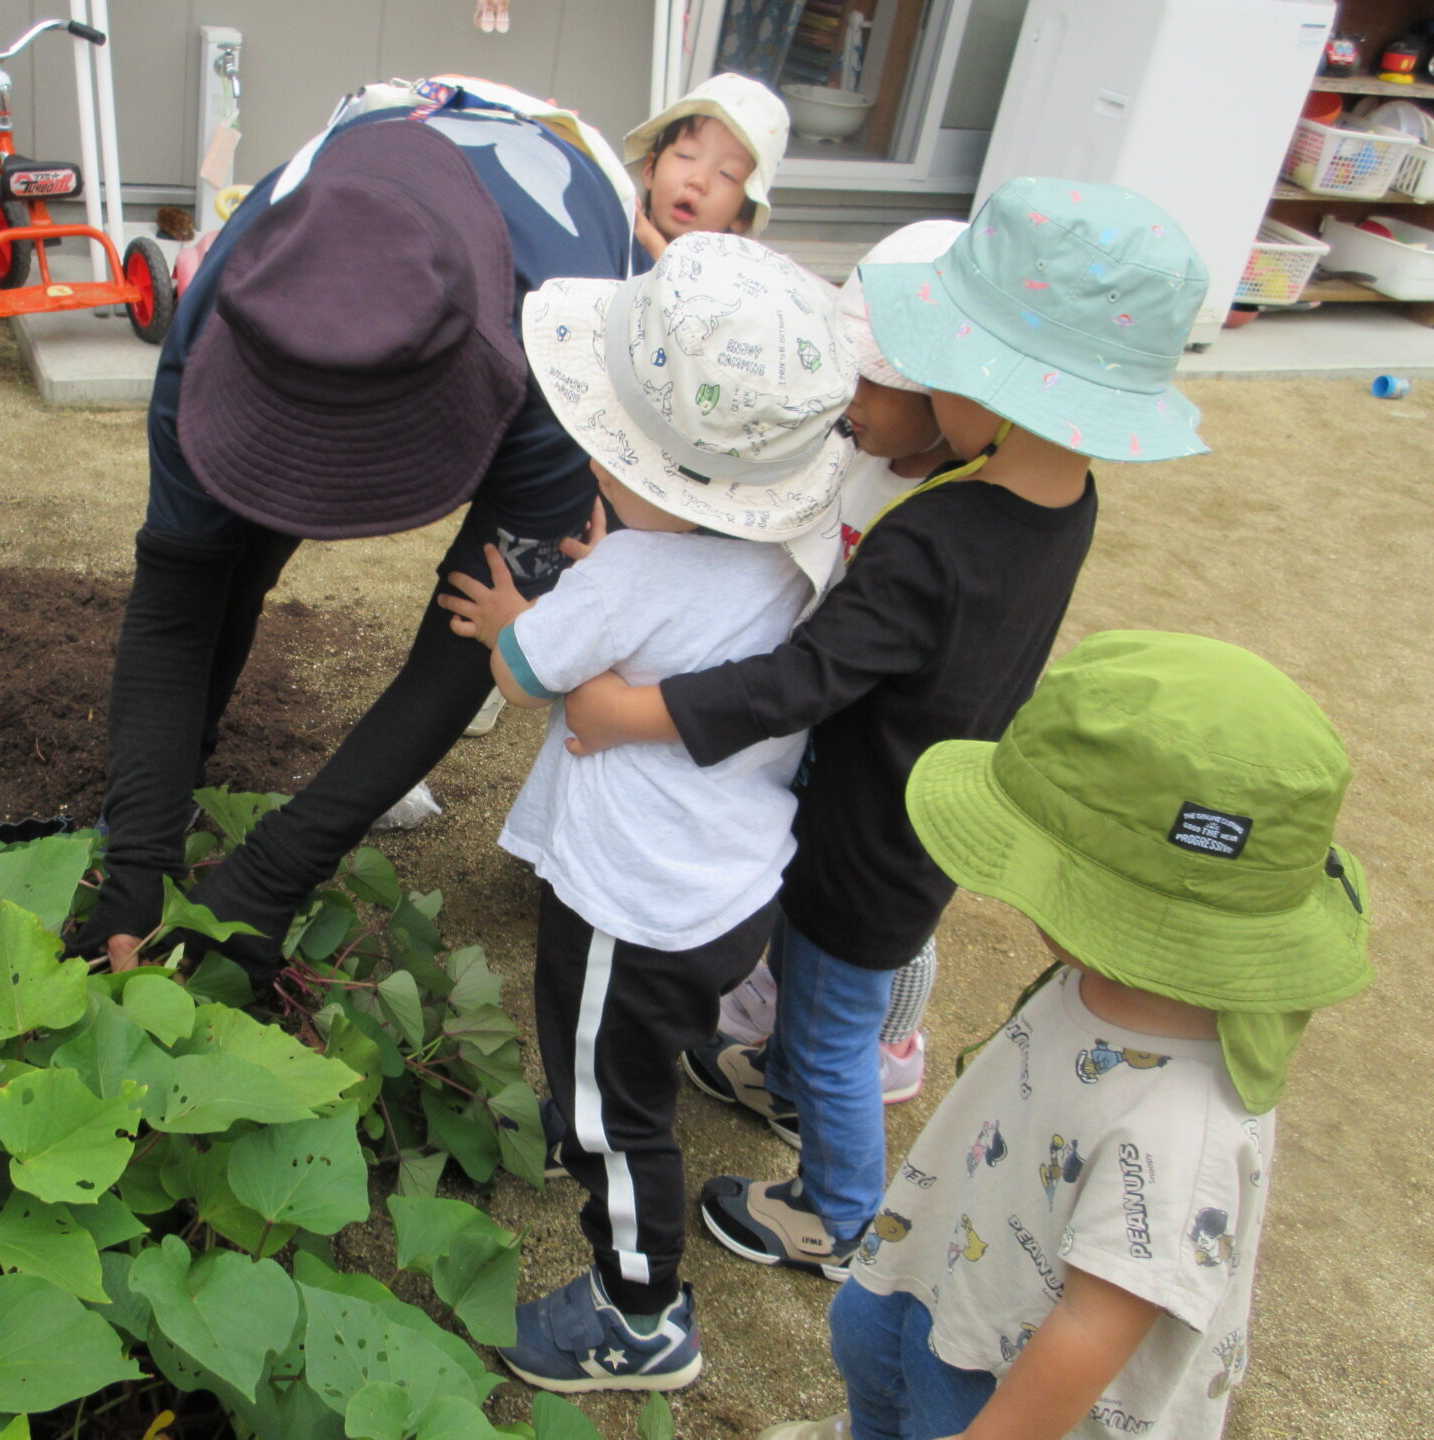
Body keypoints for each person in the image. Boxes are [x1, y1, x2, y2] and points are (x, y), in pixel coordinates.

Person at [556, 177, 1211, 1277]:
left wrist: (638, 710)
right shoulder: (1062, 505)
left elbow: (801, 680)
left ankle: (840, 1212)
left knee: (833, 1029)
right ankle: (782, 1082)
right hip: (926, 808)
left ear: (999, 388)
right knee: (814, 1003)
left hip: (867, 836)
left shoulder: (934, 539)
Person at [760, 629, 1373, 1440]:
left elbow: (1093, 1329)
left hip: (999, 1389)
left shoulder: (1182, 1129)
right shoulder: (1103, 981)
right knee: (878, 1359)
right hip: (956, 1271)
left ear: (1130, 906)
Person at [71, 99, 632, 981]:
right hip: (389, 170)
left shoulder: (571, 365)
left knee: (496, 597)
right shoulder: (224, 308)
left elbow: (467, 639)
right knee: (231, 558)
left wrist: (279, 867)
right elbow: (178, 595)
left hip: (548, 253)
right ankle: (159, 804)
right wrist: (137, 859)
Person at [438, 232, 854, 1392]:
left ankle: (641, 1313)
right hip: (731, 883)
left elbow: (526, 672)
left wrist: (514, 615)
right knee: (638, 1053)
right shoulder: (792, 552)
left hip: (630, 902)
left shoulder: (629, 575)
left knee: (614, 1115)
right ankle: (616, 1116)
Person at [710, 219, 971, 1105]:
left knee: (882, 929)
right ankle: (779, 997)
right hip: (821, 711)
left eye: (875, 379)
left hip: (879, 756)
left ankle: (886, 1046)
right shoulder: (863, 448)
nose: (848, 395)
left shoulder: (946, 514)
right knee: (803, 871)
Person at [624, 72, 789, 262]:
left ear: (742, 217)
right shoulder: (618, 233)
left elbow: (680, 280)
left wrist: (649, 238)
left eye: (727, 174)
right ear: (650, 170)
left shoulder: (730, 272)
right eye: (686, 155)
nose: (698, 181)